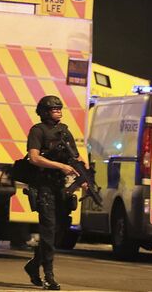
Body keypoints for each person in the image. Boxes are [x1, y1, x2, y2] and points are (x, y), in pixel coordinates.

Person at [23, 95, 87, 290]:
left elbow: (75, 157)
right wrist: (60, 166)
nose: (58, 111)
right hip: (44, 187)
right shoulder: (37, 131)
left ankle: (33, 266)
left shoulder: (64, 132)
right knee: (48, 231)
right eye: (54, 109)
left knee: (59, 230)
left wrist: (84, 177)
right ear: (44, 112)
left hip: (60, 188)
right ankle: (49, 275)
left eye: (59, 109)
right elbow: (34, 158)